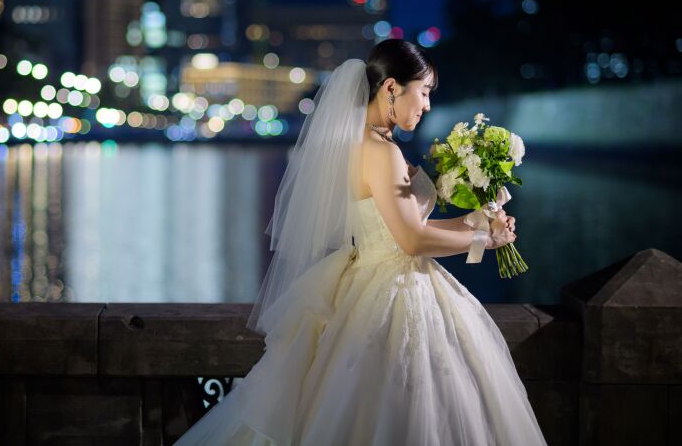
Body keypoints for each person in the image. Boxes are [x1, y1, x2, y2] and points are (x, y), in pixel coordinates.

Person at [173, 39, 547, 445]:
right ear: (390, 88)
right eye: (423, 91)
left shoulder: (375, 144)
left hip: (379, 282)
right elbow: (410, 239)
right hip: (396, 294)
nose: (427, 105)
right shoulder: (379, 151)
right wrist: (481, 241)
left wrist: (478, 224)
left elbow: (404, 227)